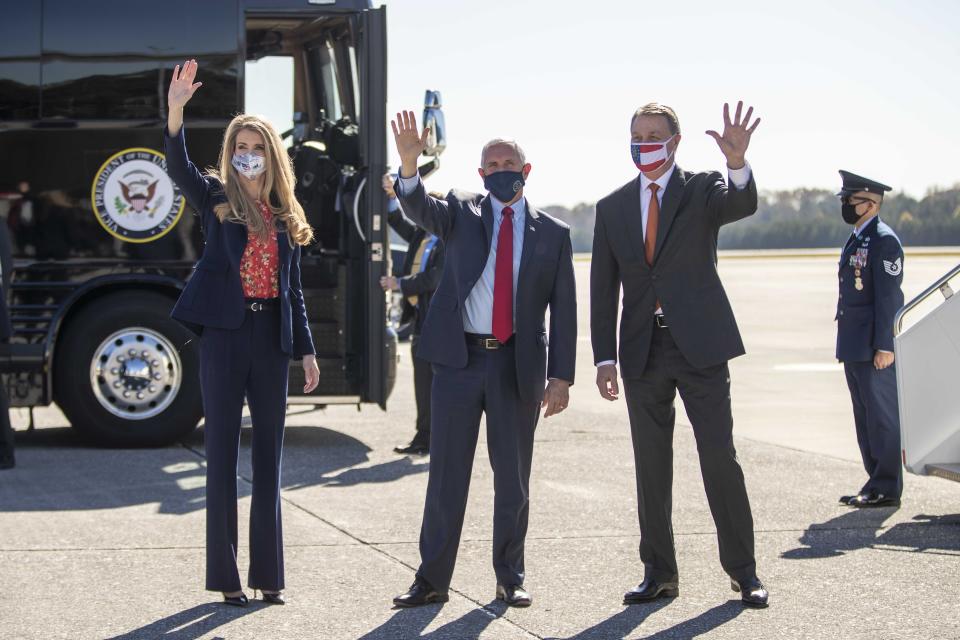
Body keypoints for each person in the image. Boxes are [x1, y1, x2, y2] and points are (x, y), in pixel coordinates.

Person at [389, 111, 577, 608]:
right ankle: (431, 580)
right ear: (480, 175)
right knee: (447, 475)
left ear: (526, 169)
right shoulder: (460, 212)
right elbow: (417, 208)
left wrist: (561, 377)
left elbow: (566, 311)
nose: (499, 169)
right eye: (490, 163)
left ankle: (509, 577)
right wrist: (409, 165)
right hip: (458, 362)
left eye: (508, 161)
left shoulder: (553, 234)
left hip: (517, 366)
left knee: (512, 479)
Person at [591, 102, 769, 608]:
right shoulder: (612, 207)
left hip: (700, 346)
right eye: (636, 133)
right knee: (651, 466)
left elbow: (741, 204)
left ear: (675, 141)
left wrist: (738, 163)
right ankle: (659, 574)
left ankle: (743, 572)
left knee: (719, 458)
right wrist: (605, 358)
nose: (644, 141)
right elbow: (603, 291)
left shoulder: (702, 188)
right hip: (643, 352)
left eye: (653, 133)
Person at [163, 60, 320, 607]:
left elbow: (293, 289)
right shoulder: (214, 197)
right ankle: (226, 577)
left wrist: (306, 351)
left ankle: (269, 575)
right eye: (238, 145)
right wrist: (177, 109)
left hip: (270, 340)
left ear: (271, 153)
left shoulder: (284, 212)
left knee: (269, 460)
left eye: (255, 145)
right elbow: (178, 168)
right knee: (222, 457)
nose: (245, 153)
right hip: (224, 338)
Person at [835, 170, 904, 508]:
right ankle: (874, 480)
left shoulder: (883, 239)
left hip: (873, 345)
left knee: (881, 417)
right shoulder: (859, 236)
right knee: (864, 417)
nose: (846, 205)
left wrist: (886, 345)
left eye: (850, 200)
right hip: (854, 342)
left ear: (870, 203)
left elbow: (889, 298)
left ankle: (887, 487)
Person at [380, 173, 446, 456]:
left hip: (438, 319)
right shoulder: (422, 234)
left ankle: (435, 438)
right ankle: (424, 437)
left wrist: (400, 284)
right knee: (422, 381)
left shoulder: (447, 240)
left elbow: (435, 278)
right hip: (421, 315)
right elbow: (397, 221)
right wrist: (393, 197)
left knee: (435, 383)